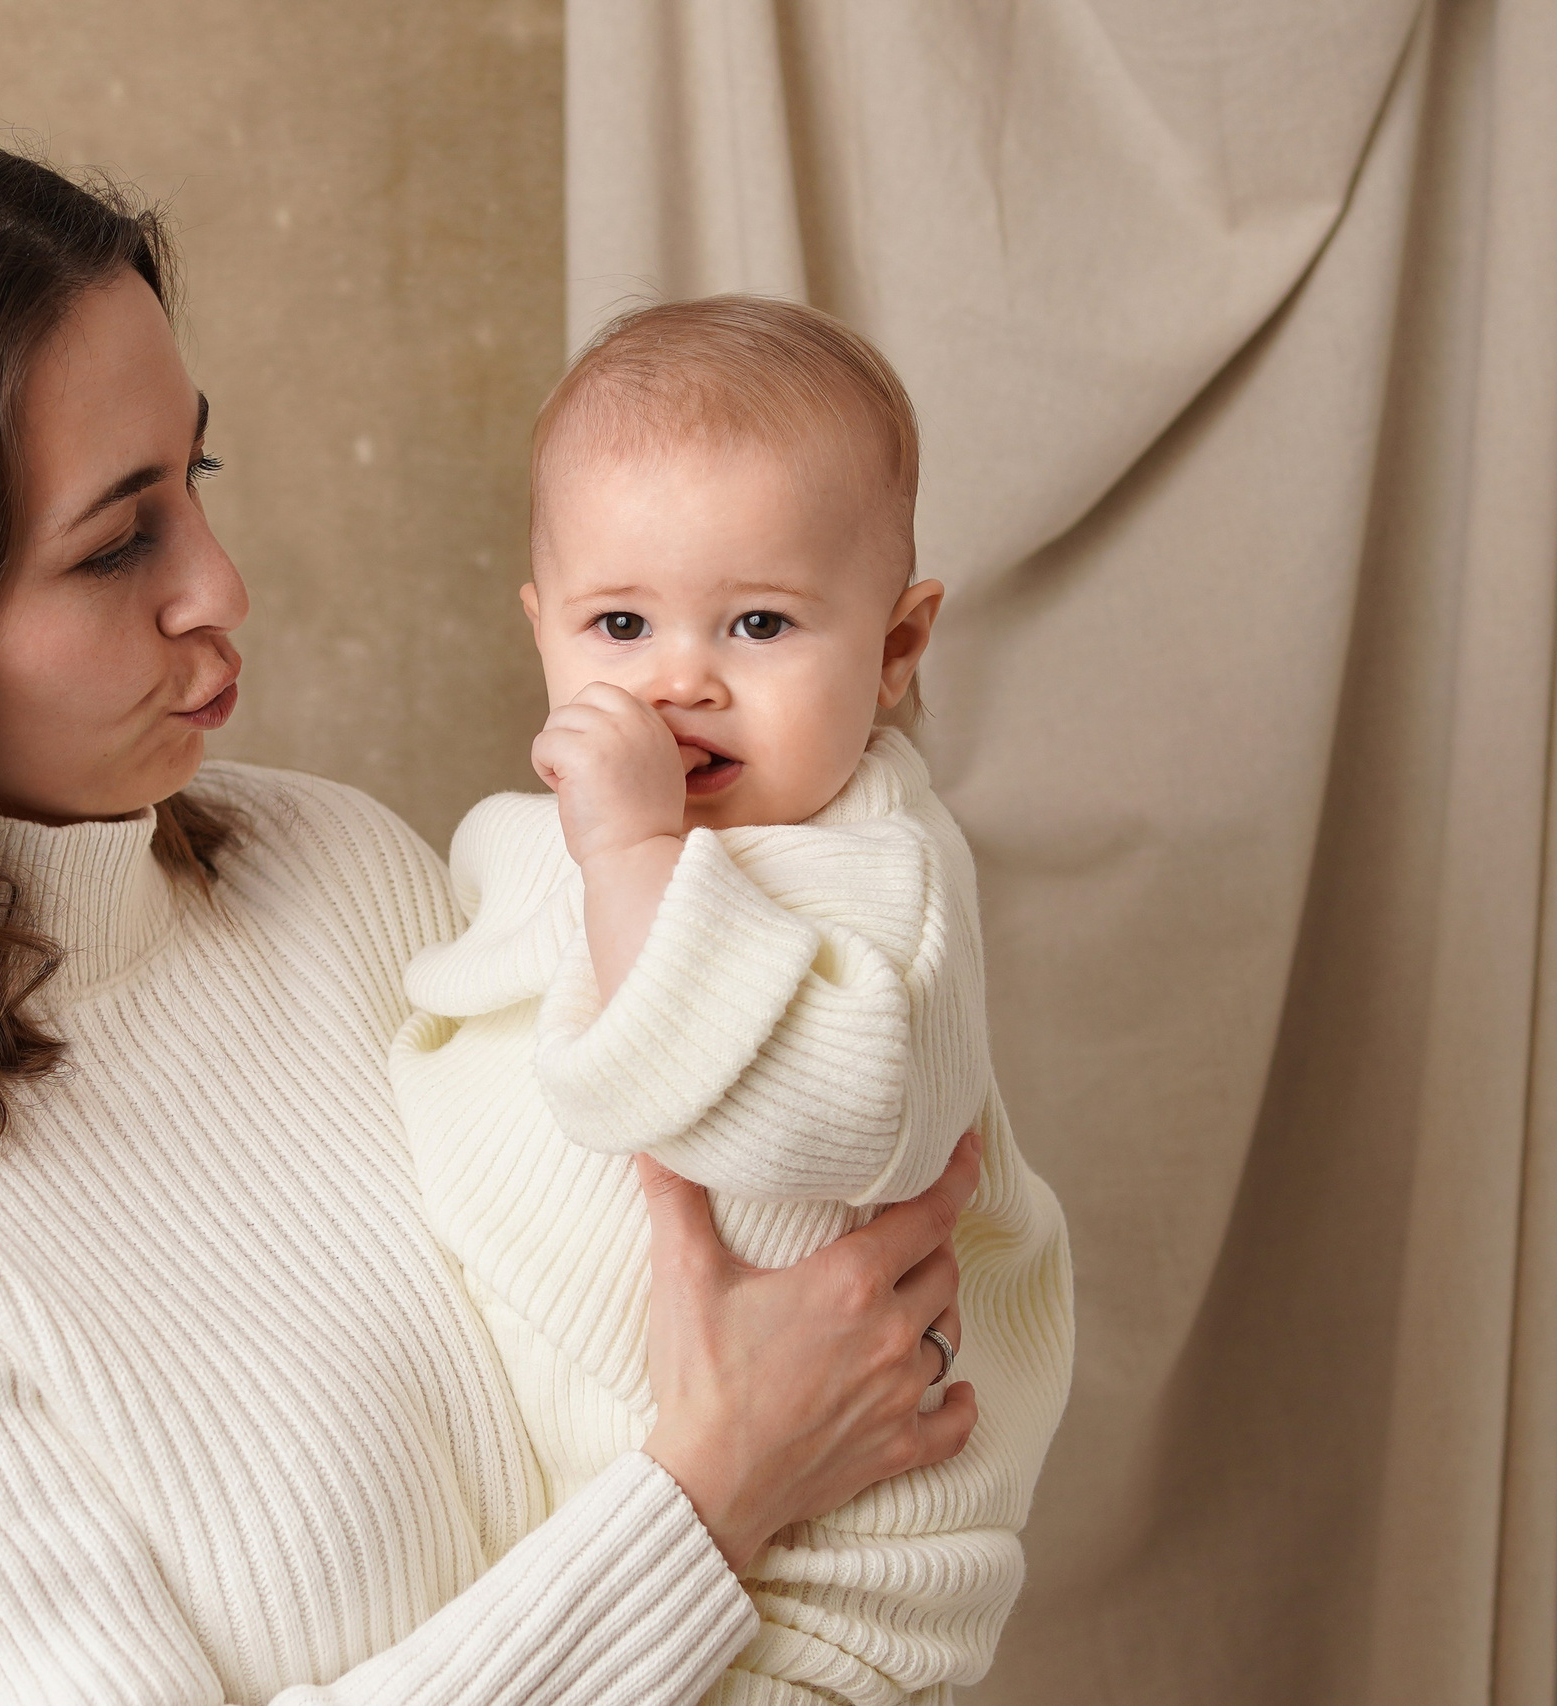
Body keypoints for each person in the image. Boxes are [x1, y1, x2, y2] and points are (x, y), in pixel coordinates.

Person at [0, 128, 988, 1706]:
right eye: (117, 544)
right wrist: (713, 1498)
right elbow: (733, 1430)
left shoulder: (327, 864)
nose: (221, 585)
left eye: (197, 475)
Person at [391, 297, 1076, 1705]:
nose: (679, 677)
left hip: (835, 1586)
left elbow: (810, 1106)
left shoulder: (884, 874)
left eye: (758, 621)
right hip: (604, 1531)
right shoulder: (523, 843)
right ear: (543, 633)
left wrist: (636, 856)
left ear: (895, 647)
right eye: (619, 621)